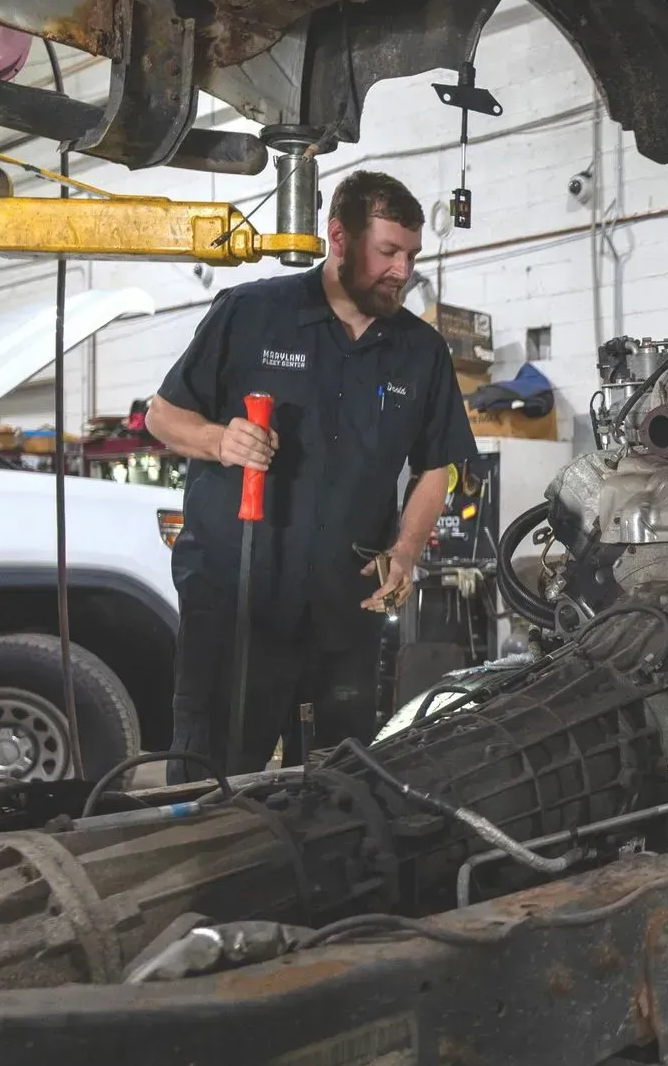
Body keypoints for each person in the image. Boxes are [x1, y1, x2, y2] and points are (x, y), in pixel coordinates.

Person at [146, 171, 478, 783]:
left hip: (344, 608)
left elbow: (438, 464)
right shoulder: (252, 313)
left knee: (335, 787)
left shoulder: (420, 350)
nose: (402, 271)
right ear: (338, 238)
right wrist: (221, 440)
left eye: (411, 256)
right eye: (388, 253)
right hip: (238, 599)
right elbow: (162, 415)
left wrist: (405, 550)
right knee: (213, 784)